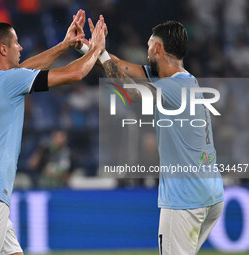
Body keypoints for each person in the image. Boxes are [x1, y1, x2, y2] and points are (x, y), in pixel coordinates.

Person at [0, 10, 105, 255]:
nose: (21, 47)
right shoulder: (8, 82)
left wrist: (64, 45)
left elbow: (22, 71)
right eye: (15, 43)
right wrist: (96, 49)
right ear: (3, 50)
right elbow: (74, 74)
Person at [77, 17, 224, 254]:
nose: (145, 54)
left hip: (185, 198)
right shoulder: (179, 80)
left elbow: (126, 92)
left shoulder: (175, 88)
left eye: (148, 46)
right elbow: (117, 65)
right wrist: (88, 48)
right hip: (210, 193)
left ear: (157, 48)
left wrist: (101, 54)